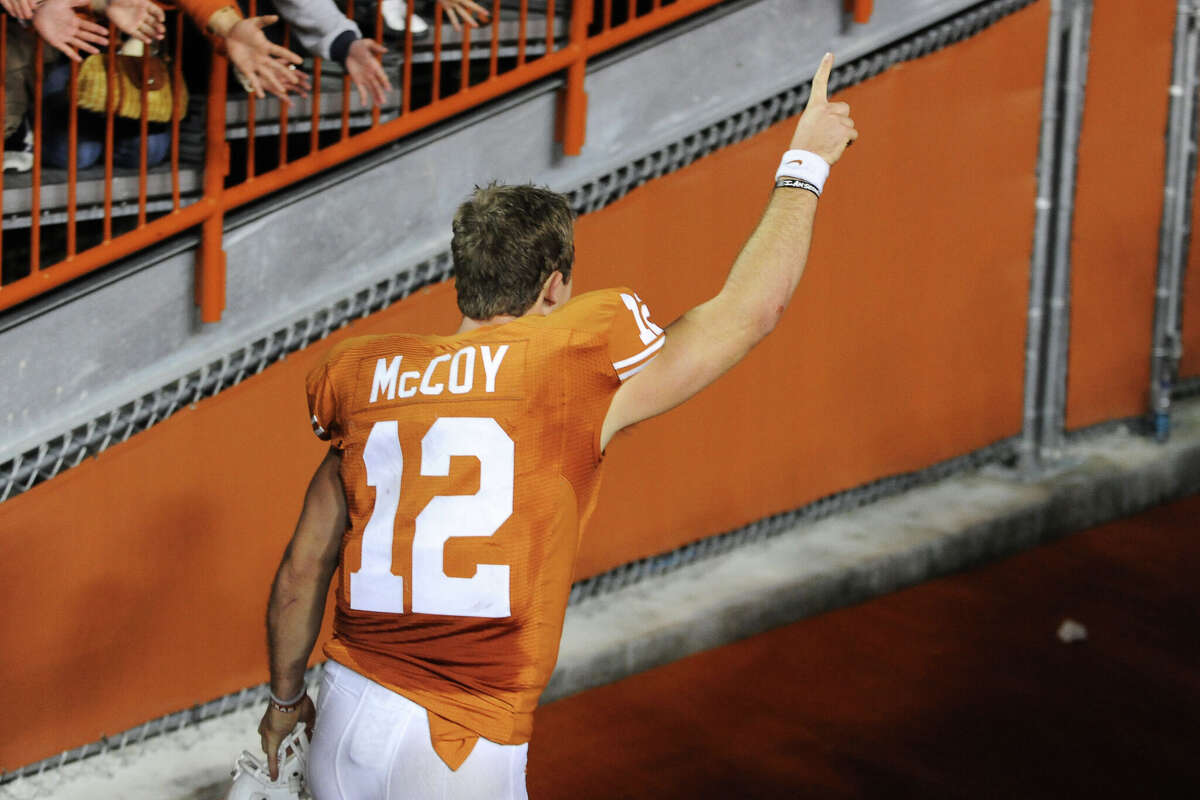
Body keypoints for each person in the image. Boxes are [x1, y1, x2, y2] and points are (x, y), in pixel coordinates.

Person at [256, 51, 856, 799]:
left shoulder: (365, 379)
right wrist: (806, 162)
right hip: (460, 744)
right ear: (555, 284)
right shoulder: (569, 368)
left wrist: (285, 703)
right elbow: (750, 311)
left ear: (465, 277)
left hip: (347, 713)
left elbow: (303, 567)